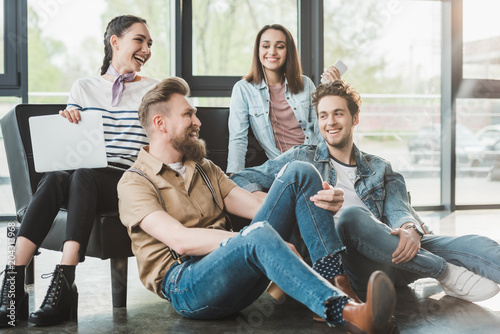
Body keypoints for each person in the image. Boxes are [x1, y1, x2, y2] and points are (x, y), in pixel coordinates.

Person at [117, 77, 398, 333]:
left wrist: (318, 200)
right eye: (188, 114)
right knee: (259, 233)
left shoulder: (204, 168)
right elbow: (181, 241)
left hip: (238, 272)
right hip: (187, 286)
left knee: (299, 171)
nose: (198, 122)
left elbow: (256, 206)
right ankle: (346, 312)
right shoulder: (134, 183)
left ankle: (334, 282)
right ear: (160, 123)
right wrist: (255, 239)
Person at [231, 80, 500, 306]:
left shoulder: (380, 167)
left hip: (395, 253)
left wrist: (409, 229)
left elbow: (398, 208)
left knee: (480, 245)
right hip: (354, 268)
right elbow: (242, 178)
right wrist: (270, 201)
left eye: (338, 113)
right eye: (323, 115)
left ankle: (435, 266)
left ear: (354, 118)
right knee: (352, 218)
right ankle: (444, 272)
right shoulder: (303, 158)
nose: (330, 122)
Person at [0, 15, 158, 327]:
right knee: (56, 179)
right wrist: (69, 119)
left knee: (84, 175)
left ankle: (64, 282)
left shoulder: (155, 91)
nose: (146, 49)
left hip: (127, 179)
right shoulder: (84, 88)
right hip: (86, 176)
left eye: (150, 43)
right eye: (139, 40)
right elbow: (73, 149)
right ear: (115, 41)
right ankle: (13, 287)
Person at [227, 24, 342, 174]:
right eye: (266, 46)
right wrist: (233, 176)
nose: (272, 52)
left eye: (280, 46)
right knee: (239, 180)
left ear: (288, 52)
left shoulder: (305, 83)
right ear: (258, 51)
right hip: (280, 164)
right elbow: (238, 139)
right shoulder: (243, 89)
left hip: (313, 158)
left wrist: (334, 90)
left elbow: (321, 126)